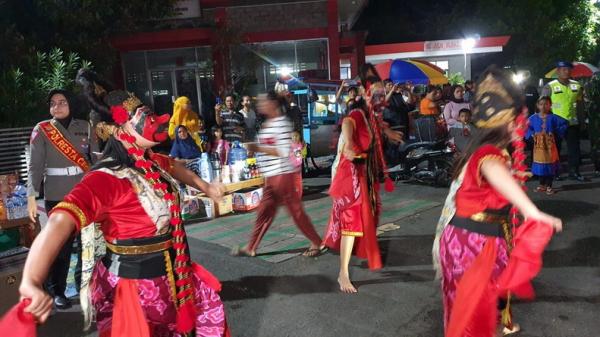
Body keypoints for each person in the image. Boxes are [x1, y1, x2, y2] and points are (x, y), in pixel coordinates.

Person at [18, 72, 230, 336]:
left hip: (175, 276)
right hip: (135, 290)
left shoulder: (150, 161)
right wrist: (31, 280)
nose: (156, 119)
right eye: (144, 116)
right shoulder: (105, 179)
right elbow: (59, 221)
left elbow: (175, 166)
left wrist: (207, 187)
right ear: (121, 130)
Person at [432, 67, 562, 337]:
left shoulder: (491, 150)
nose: (522, 128)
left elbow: (494, 178)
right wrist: (531, 211)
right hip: (470, 245)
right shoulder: (490, 152)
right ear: (509, 122)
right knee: (469, 316)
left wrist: (514, 177)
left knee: (479, 309)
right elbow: (492, 168)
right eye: (520, 121)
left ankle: (502, 322)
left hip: (485, 240)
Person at [26, 89, 98, 310]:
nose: (57, 106)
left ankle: (88, 287)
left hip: (84, 193)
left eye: (62, 102)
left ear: (72, 104)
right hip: (58, 196)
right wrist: (31, 195)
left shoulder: (86, 126)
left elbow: (95, 160)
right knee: (62, 247)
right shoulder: (43, 129)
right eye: (53, 103)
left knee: (89, 243)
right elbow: (35, 166)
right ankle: (57, 290)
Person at [233, 91, 324, 258]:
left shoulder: (281, 123)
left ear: (273, 104)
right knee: (264, 212)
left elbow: (283, 151)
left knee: (294, 212)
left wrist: (257, 148)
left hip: (283, 175)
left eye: (262, 102)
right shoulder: (269, 123)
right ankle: (252, 246)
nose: (259, 105)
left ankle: (316, 241)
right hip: (272, 177)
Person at [323, 83, 395, 294]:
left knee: (363, 218)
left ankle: (341, 263)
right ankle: (343, 273)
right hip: (350, 174)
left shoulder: (370, 117)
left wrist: (388, 132)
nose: (380, 98)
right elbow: (347, 122)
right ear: (365, 96)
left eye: (381, 94)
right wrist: (349, 144)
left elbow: (376, 129)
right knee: (351, 221)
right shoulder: (356, 113)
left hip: (362, 173)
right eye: (376, 94)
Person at [541, 61, 586, 181]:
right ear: (558, 71)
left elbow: (580, 105)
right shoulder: (549, 86)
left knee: (574, 149)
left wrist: (582, 121)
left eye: (568, 69)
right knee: (555, 150)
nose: (566, 72)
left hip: (572, 123)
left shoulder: (577, 86)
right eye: (563, 69)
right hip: (555, 124)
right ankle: (555, 173)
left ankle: (574, 172)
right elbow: (543, 105)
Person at [526, 96, 567, 195]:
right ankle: (542, 185)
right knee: (540, 166)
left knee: (550, 165)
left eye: (546, 104)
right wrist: (530, 134)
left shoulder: (553, 117)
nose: (543, 106)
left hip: (550, 147)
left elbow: (565, 123)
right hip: (538, 147)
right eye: (541, 104)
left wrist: (556, 133)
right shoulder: (533, 118)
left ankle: (549, 186)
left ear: (550, 105)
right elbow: (525, 127)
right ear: (537, 105)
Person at [290, 130, 307, 198]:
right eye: (293, 136)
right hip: (291, 167)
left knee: (298, 182)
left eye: (296, 136)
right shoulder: (290, 145)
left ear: (299, 137)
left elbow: (303, 154)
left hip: (298, 167)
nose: (294, 138)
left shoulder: (300, 144)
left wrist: (303, 149)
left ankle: (298, 195)